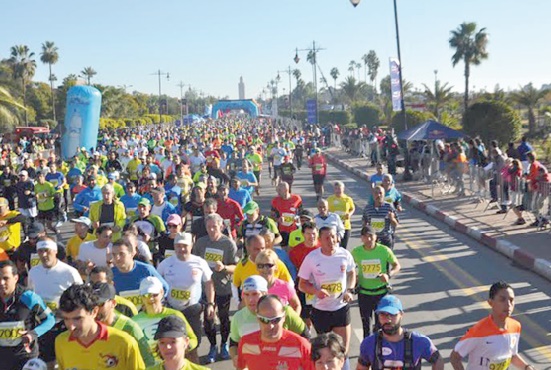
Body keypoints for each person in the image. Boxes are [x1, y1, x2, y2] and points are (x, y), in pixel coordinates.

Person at [298, 226, 356, 366]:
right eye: (326, 238)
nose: (331, 240)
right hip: (321, 310)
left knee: (342, 351)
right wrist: (316, 292)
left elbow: (351, 273)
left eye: (333, 236)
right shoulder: (312, 258)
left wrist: (349, 289)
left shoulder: (344, 254)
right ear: (320, 240)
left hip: (340, 307)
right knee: (326, 352)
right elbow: (302, 285)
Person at [55, 284, 146, 369]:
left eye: (78, 319)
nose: (71, 327)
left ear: (94, 312)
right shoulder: (61, 342)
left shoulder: (124, 342)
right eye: (66, 319)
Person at [157, 232, 215, 362]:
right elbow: (157, 282)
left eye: (185, 246)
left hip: (192, 309)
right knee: (173, 345)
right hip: (172, 309)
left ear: (191, 246)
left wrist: (210, 304)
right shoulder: (166, 263)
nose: (181, 249)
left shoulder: (199, 262)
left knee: (193, 346)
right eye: (178, 246)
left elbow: (209, 283)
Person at [450, 281, 535, 370]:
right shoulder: (478, 330)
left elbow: (512, 355)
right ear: (490, 303)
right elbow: (454, 357)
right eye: (502, 300)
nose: (508, 304)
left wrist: (526, 367)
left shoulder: (515, 326)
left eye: (511, 300)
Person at [28, 237, 83, 368]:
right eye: (40, 251)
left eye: (47, 251)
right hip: (43, 324)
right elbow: (31, 296)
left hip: (65, 325)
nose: (44, 255)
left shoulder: (69, 272)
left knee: (67, 359)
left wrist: (65, 311)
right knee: (47, 361)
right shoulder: (33, 272)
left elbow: (82, 298)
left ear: (55, 251)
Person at [192, 213, 238, 363]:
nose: (211, 230)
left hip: (223, 286)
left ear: (221, 226)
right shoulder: (200, 243)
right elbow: (194, 261)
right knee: (208, 319)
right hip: (205, 287)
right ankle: (212, 346)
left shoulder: (228, 244)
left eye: (214, 227)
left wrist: (224, 267)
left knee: (224, 318)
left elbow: (236, 268)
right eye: (209, 227)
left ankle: (224, 344)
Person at [356, 295, 444, 370]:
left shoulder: (419, 341)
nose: (388, 319)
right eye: (383, 314)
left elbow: (438, 360)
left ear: (401, 315)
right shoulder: (369, 343)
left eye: (393, 314)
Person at [0, 260, 55, 369]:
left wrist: (33, 334)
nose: (1, 282)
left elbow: (50, 319)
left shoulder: (28, 297)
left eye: (6, 278)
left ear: (15, 278)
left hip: (25, 357)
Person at [236, 294, 314, 370]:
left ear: (284, 317)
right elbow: (241, 367)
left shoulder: (301, 345)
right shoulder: (246, 342)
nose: (270, 326)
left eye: (275, 320)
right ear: (257, 318)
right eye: (264, 320)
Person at [132, 276, 198, 366]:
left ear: (162, 293)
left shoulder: (175, 315)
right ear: (141, 296)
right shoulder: (135, 321)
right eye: (146, 295)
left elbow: (193, 339)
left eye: (154, 295)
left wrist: (179, 349)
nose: (150, 299)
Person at [352, 226, 401, 338]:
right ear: (361, 238)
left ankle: (379, 349)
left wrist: (388, 275)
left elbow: (397, 265)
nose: (368, 239)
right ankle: (366, 352)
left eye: (371, 236)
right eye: (365, 236)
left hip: (381, 293)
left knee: (381, 326)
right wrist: (354, 275)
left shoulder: (384, 250)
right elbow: (349, 267)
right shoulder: (356, 252)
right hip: (364, 293)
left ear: (376, 237)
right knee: (366, 325)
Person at [91, 282, 156, 367]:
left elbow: (148, 362)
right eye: (91, 304)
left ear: (113, 303)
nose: (95, 309)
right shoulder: (87, 327)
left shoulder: (129, 327)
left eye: (100, 304)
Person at [111, 239, 169, 310]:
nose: (117, 258)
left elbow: (165, 288)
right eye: (114, 254)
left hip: (145, 317)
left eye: (121, 254)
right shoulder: (110, 274)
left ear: (132, 254)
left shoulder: (146, 270)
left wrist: (153, 304)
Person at [255, 249, 301, 314]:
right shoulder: (252, 286)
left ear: (276, 266)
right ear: (256, 268)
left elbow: (296, 305)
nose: (265, 269)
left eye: (269, 265)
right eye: (261, 266)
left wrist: (293, 321)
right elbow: (242, 307)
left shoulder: (285, 286)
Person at [271, 181, 303, 248]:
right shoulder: (275, 201)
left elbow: (302, 213)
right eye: (277, 190)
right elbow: (272, 216)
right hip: (283, 230)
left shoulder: (297, 199)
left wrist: (298, 218)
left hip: (295, 230)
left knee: (295, 248)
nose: (277, 192)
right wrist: (278, 219)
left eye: (279, 190)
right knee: (285, 249)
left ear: (286, 190)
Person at [327, 181, 355, 249]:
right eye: (336, 189)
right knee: (334, 246)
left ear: (343, 189)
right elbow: (326, 210)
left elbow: (352, 208)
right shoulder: (330, 199)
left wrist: (350, 214)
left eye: (339, 189)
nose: (337, 190)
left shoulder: (348, 199)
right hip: (333, 227)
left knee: (343, 247)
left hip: (346, 226)